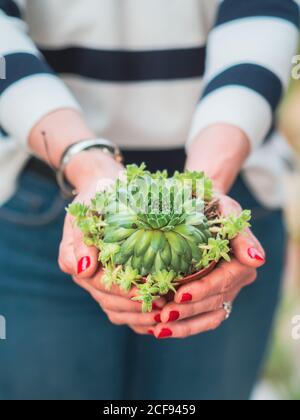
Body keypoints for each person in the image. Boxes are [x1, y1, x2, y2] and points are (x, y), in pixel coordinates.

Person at [0, 0, 298, 400]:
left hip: (230, 180)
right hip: (38, 188)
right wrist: (86, 163)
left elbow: (263, 11)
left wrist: (205, 190)